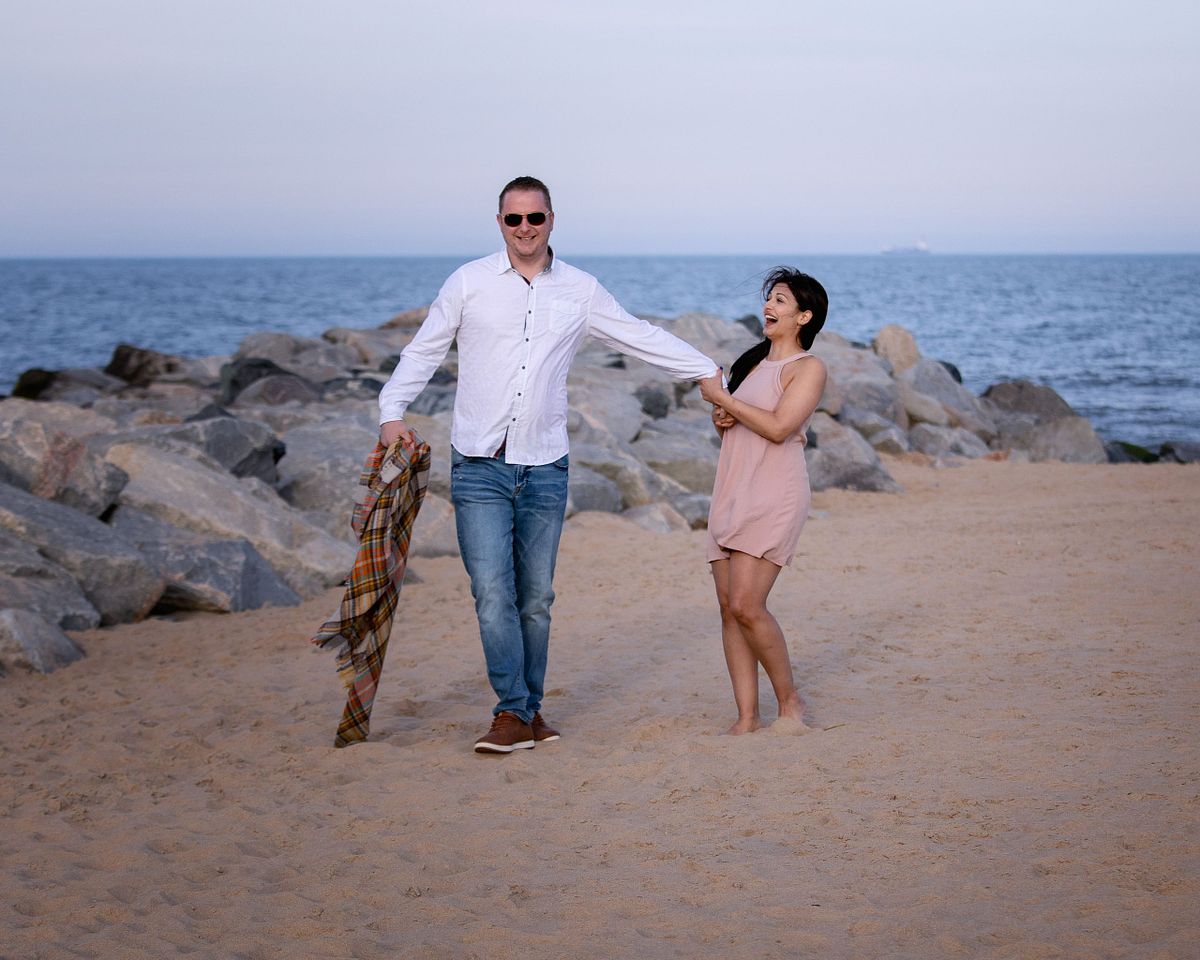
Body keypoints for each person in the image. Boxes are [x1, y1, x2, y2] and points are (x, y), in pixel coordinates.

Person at [378, 176, 722, 754]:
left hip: (544, 465)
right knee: (493, 592)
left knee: (536, 600)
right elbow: (425, 349)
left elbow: (637, 336)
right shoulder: (468, 282)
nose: (525, 228)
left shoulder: (580, 290)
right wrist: (392, 412)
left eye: (535, 217)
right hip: (479, 464)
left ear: (551, 220)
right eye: (514, 219)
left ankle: (528, 711)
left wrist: (705, 370)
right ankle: (512, 711)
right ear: (500, 223)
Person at [698, 267, 828, 734]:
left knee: (748, 605)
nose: (768, 306)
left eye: (780, 300)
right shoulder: (752, 363)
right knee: (728, 607)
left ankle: (791, 703)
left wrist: (723, 398)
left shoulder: (808, 368)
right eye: (769, 298)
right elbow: (739, 431)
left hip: (774, 492)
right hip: (732, 488)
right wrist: (722, 415)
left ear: (804, 317)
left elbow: (778, 428)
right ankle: (747, 716)